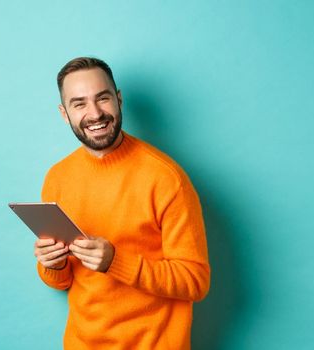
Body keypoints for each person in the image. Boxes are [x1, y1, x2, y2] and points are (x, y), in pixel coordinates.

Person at [33, 57, 210, 349]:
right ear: (64, 114)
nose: (95, 114)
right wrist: (52, 263)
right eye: (79, 104)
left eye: (102, 98)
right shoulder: (57, 178)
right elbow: (60, 282)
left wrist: (116, 262)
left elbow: (195, 280)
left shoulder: (165, 178)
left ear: (118, 100)